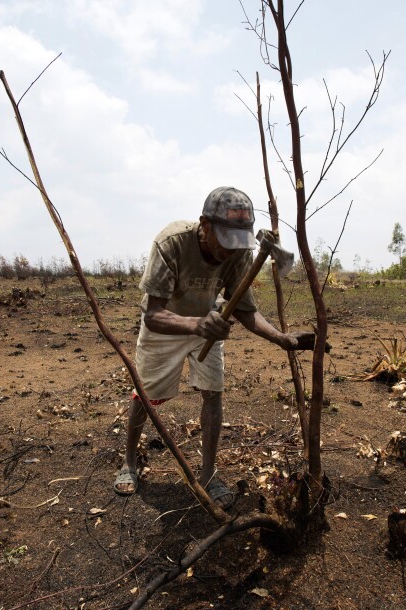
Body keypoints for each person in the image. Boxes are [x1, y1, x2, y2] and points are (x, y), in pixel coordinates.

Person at [113, 186, 315, 507]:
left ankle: (207, 475)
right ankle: (130, 462)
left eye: (238, 242)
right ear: (204, 225)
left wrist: (282, 339)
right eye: (224, 240)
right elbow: (153, 314)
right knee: (147, 393)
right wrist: (195, 324)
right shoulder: (172, 243)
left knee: (213, 392)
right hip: (167, 323)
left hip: (209, 321)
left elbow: (246, 311)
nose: (229, 251)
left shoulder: (238, 252)